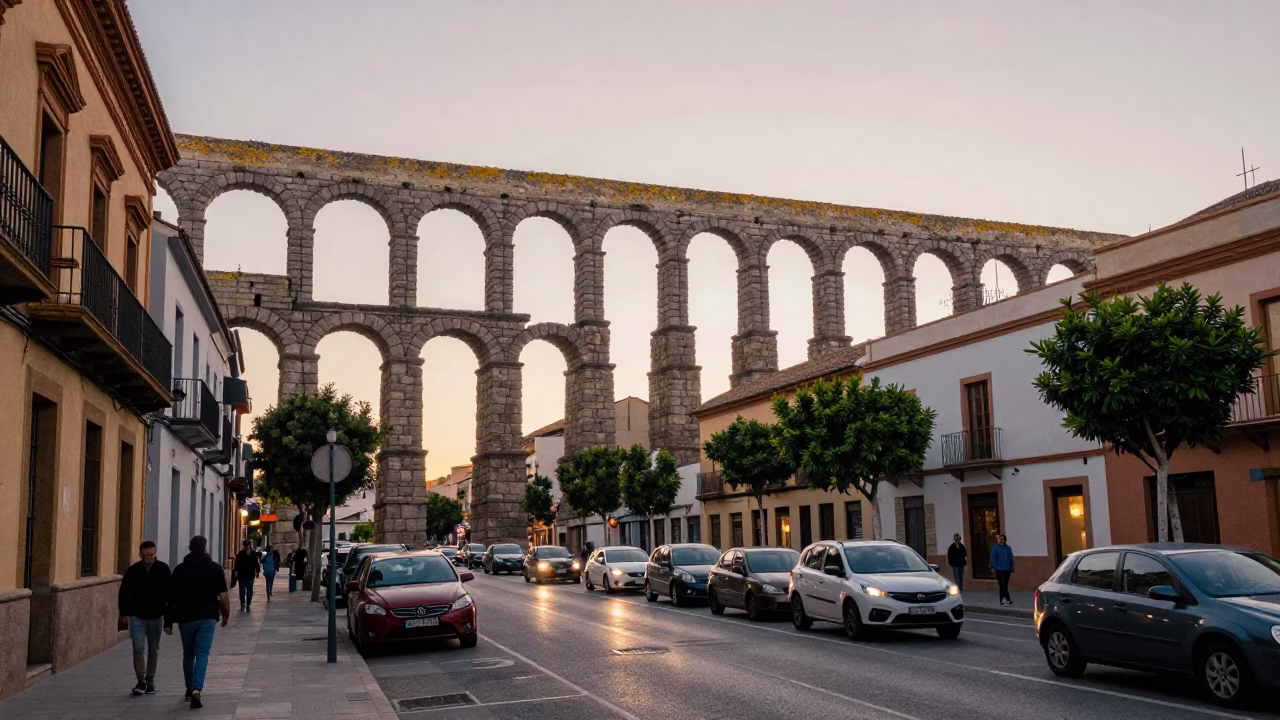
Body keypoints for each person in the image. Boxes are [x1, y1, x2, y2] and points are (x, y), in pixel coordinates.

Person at [165, 535, 230, 709]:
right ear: (205, 548)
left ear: (189, 548)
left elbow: (171, 598)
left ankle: (188, 689)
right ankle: (196, 689)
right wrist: (225, 615)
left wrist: (168, 622)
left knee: (188, 654)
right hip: (208, 617)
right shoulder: (215, 569)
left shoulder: (179, 570)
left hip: (185, 618)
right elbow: (223, 596)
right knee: (202, 654)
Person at [118, 540, 170, 695]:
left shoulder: (163, 569)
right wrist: (124, 613)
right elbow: (124, 592)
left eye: (151, 555)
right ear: (140, 554)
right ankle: (140, 680)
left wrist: (169, 618)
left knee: (154, 649)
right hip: (137, 616)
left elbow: (170, 593)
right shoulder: (132, 571)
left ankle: (150, 680)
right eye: (145, 555)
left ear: (155, 554)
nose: (148, 558)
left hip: (156, 616)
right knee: (138, 648)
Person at [232, 540, 261, 611]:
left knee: (243, 590)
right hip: (249, 575)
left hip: (243, 575)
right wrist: (257, 572)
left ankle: (244, 603)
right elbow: (256, 564)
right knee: (249, 590)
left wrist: (235, 573)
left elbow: (236, 566)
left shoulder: (240, 554)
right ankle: (247, 604)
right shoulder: (253, 554)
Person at [990, 534, 1015, 605]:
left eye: (1002, 539)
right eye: (1000, 539)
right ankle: (1003, 599)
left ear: (1005, 540)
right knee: (1002, 584)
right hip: (999, 569)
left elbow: (1011, 559)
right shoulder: (995, 548)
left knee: (1005, 585)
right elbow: (993, 558)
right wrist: (993, 567)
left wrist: (1012, 568)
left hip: (1007, 569)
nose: (1001, 540)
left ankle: (1007, 599)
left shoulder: (1008, 548)